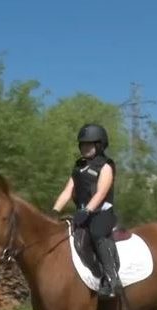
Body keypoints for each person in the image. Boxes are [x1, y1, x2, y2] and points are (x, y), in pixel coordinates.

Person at [52, 124, 123, 299]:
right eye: (82, 144)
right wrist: (54, 211)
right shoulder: (79, 166)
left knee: (97, 232)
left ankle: (112, 280)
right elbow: (68, 191)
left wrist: (88, 209)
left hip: (102, 213)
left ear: (99, 145)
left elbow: (101, 192)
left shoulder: (106, 166)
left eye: (89, 144)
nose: (85, 148)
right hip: (83, 213)